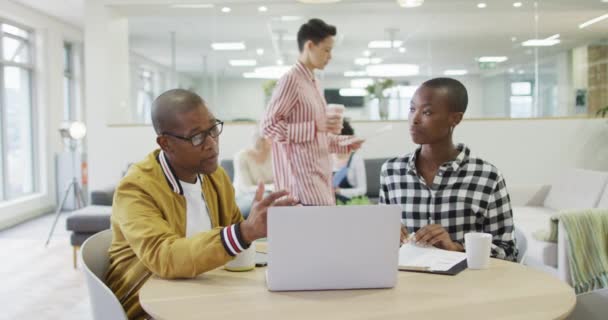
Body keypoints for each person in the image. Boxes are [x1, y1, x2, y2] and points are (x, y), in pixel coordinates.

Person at [105, 89, 296, 320]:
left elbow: (232, 239)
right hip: (149, 308)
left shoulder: (215, 176)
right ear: (166, 143)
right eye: (196, 137)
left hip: (202, 296)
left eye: (213, 129)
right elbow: (164, 257)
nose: (211, 144)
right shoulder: (136, 189)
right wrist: (245, 231)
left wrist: (257, 223)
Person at [379, 78, 517, 261]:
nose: (415, 119)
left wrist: (456, 248)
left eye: (426, 112)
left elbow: (508, 251)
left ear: (455, 118)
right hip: (406, 281)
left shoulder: (487, 177)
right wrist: (386, 235)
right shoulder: (391, 172)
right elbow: (379, 238)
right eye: (412, 109)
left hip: (465, 284)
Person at [262, 18, 363, 206]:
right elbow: (269, 127)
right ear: (310, 45)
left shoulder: (314, 84)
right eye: (326, 49)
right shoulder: (291, 80)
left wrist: (346, 143)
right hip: (301, 185)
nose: (330, 56)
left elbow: (316, 138)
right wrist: (315, 126)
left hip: (320, 179)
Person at [233, 130, 274, 217]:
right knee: (268, 201)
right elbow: (245, 187)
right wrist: (271, 187)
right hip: (244, 195)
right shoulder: (241, 157)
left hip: (268, 193)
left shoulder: (273, 155)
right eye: (270, 137)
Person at [332, 119, 367, 203]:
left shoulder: (356, 159)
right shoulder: (329, 157)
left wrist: (340, 191)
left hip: (350, 204)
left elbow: (362, 190)